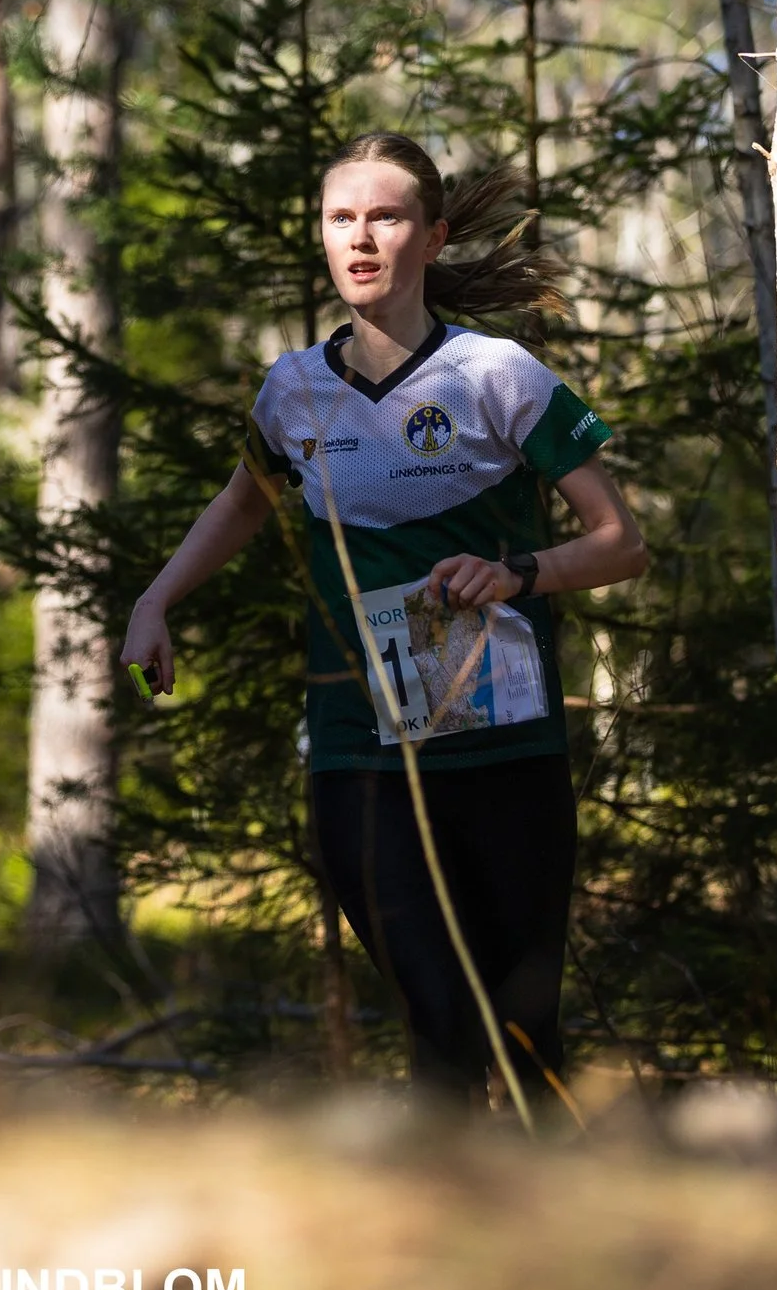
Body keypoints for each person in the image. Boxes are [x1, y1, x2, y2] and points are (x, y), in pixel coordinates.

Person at [119, 132, 648, 1105]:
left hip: (503, 751)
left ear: (432, 234)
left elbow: (620, 541)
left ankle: (558, 1235)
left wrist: (515, 570)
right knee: (440, 1020)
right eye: (340, 218)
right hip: (360, 757)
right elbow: (245, 500)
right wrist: (157, 597)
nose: (360, 238)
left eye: (386, 215)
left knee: (527, 1033)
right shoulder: (292, 389)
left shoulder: (497, 374)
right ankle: (447, 1238)